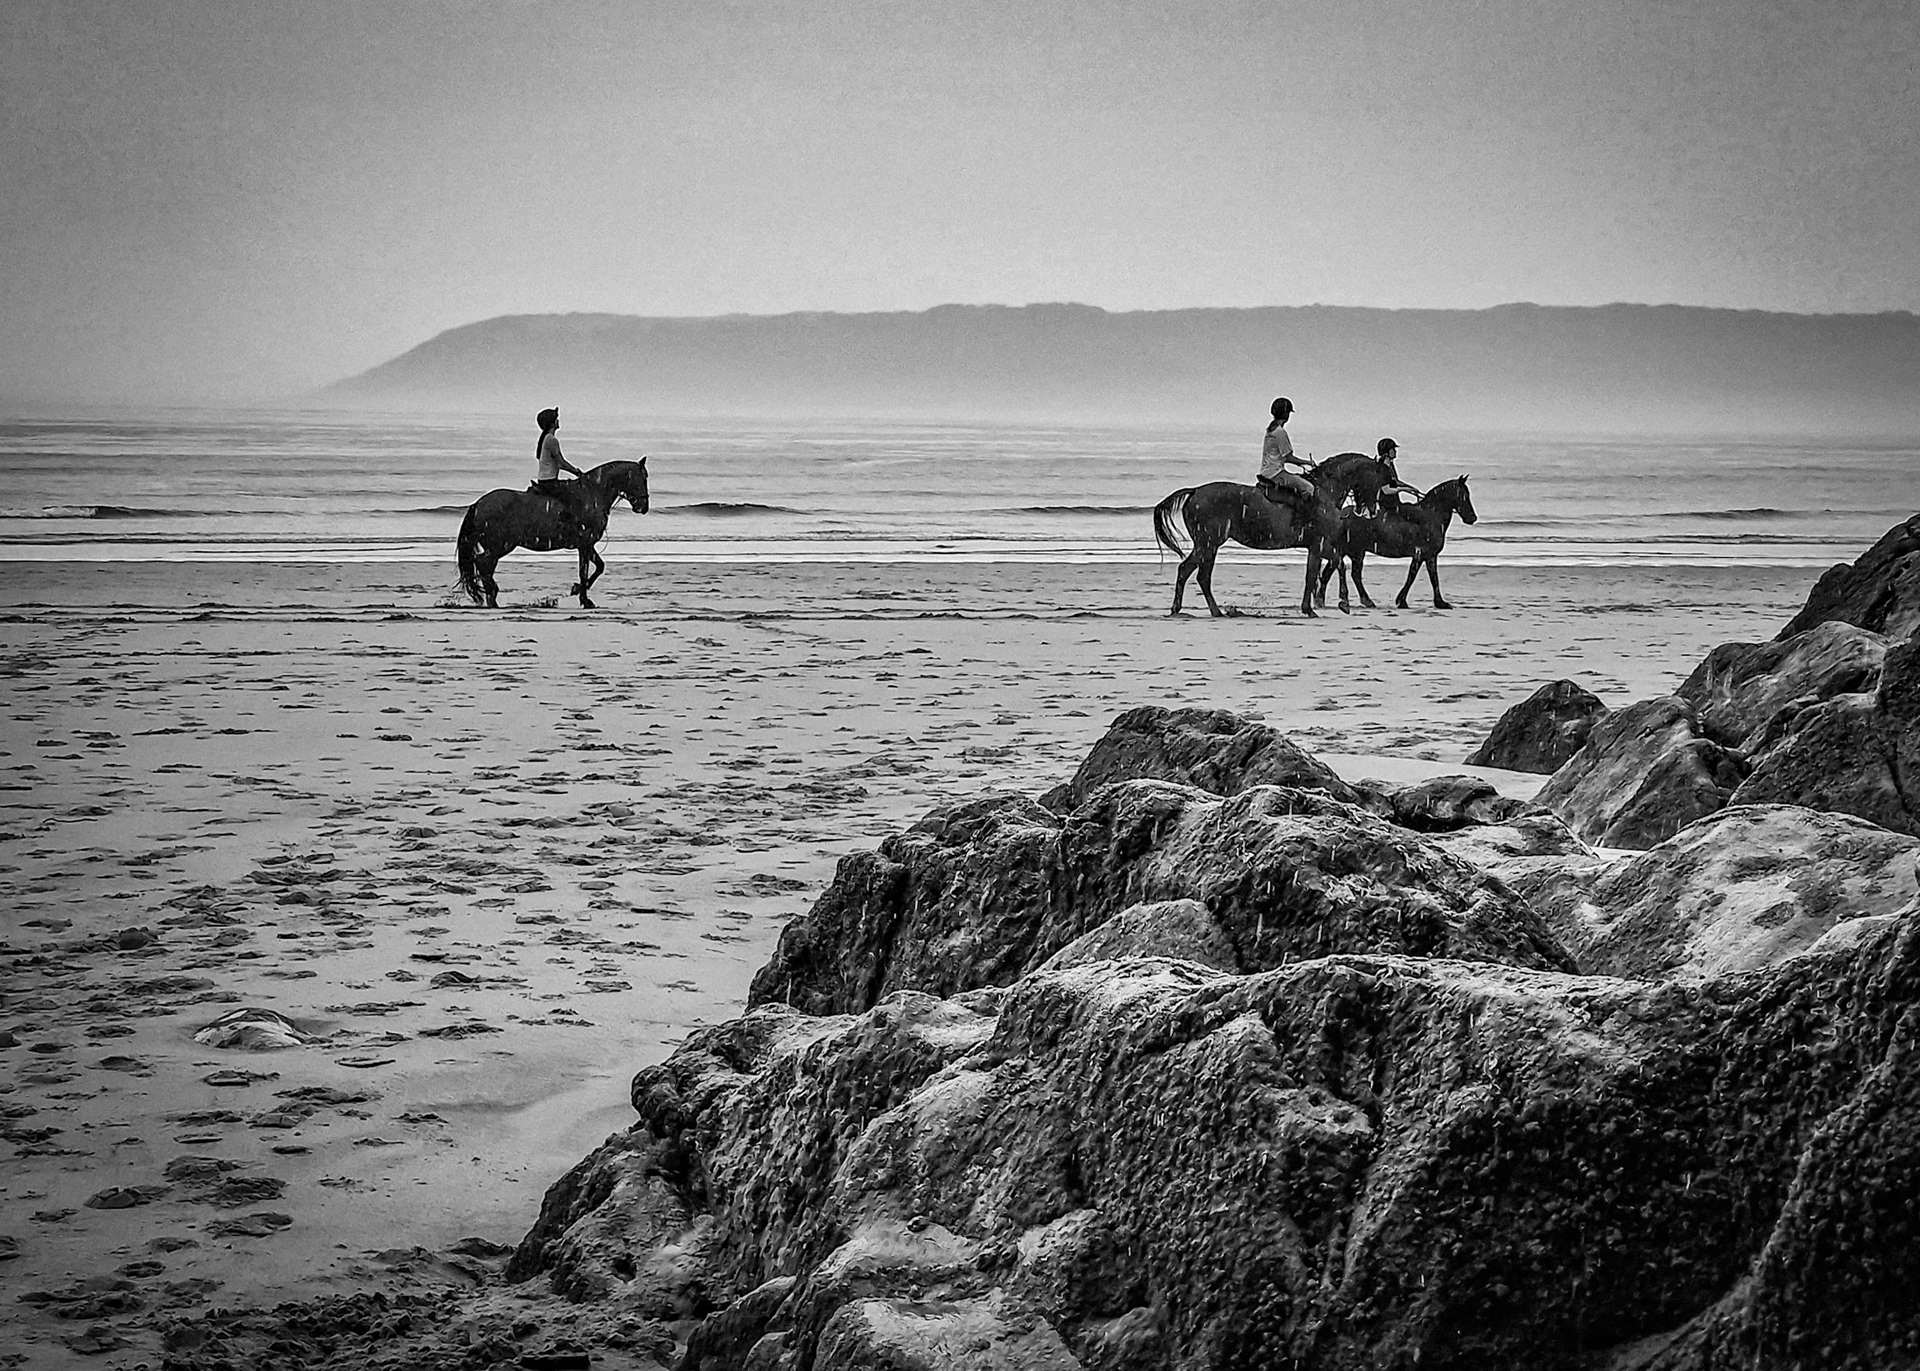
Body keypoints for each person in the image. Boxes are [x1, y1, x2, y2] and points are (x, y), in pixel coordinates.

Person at [530, 407, 587, 536]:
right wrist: (578, 472)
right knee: (573, 500)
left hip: (545, 480)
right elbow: (561, 463)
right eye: (556, 419)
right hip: (549, 482)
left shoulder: (546, 439)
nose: (558, 421)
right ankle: (568, 527)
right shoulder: (551, 440)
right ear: (552, 423)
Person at [1255, 397, 1315, 506]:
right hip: (1276, 474)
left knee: (1296, 479)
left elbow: (1281, 457)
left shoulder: (1270, 430)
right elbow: (1288, 458)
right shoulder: (1280, 433)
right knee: (1308, 488)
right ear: (1286, 415)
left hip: (1266, 472)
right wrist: (1308, 463)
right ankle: (1303, 519)